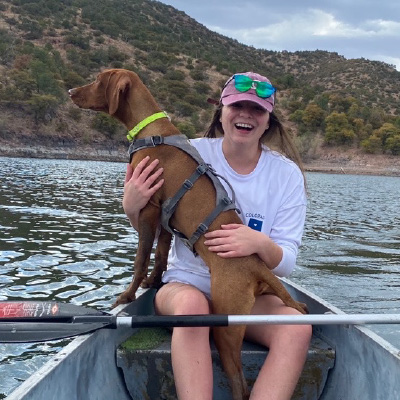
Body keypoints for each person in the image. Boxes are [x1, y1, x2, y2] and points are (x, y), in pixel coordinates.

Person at [122, 72, 312, 400]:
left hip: (247, 293)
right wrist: (130, 206)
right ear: (221, 111)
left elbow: (286, 263)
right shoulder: (185, 152)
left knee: (297, 328)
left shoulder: (286, 175)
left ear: (269, 121)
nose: (246, 115)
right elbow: (151, 226)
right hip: (185, 286)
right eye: (237, 105)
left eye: (257, 110)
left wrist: (259, 243)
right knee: (193, 309)